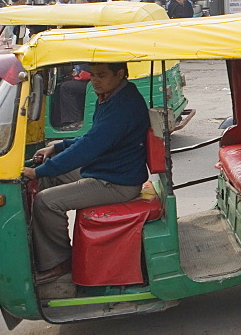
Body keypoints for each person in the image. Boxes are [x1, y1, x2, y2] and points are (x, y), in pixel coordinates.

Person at [22, 63, 151, 283]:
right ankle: (45, 247)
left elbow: (90, 147)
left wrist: (38, 172)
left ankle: (58, 261)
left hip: (116, 183)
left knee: (45, 201)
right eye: (92, 75)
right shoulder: (111, 96)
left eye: (101, 75)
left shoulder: (123, 106)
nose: (94, 80)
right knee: (51, 176)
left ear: (119, 74)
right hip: (106, 170)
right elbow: (94, 136)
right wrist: (58, 146)